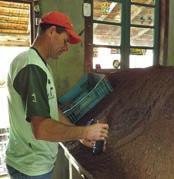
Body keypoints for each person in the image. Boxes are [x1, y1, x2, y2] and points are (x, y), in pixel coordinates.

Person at [5, 11, 109, 179]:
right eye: (65, 40)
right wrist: (84, 132)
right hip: (30, 169)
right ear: (52, 31)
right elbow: (41, 129)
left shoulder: (40, 65)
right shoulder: (32, 67)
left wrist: (80, 136)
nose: (66, 48)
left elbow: (52, 111)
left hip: (33, 164)